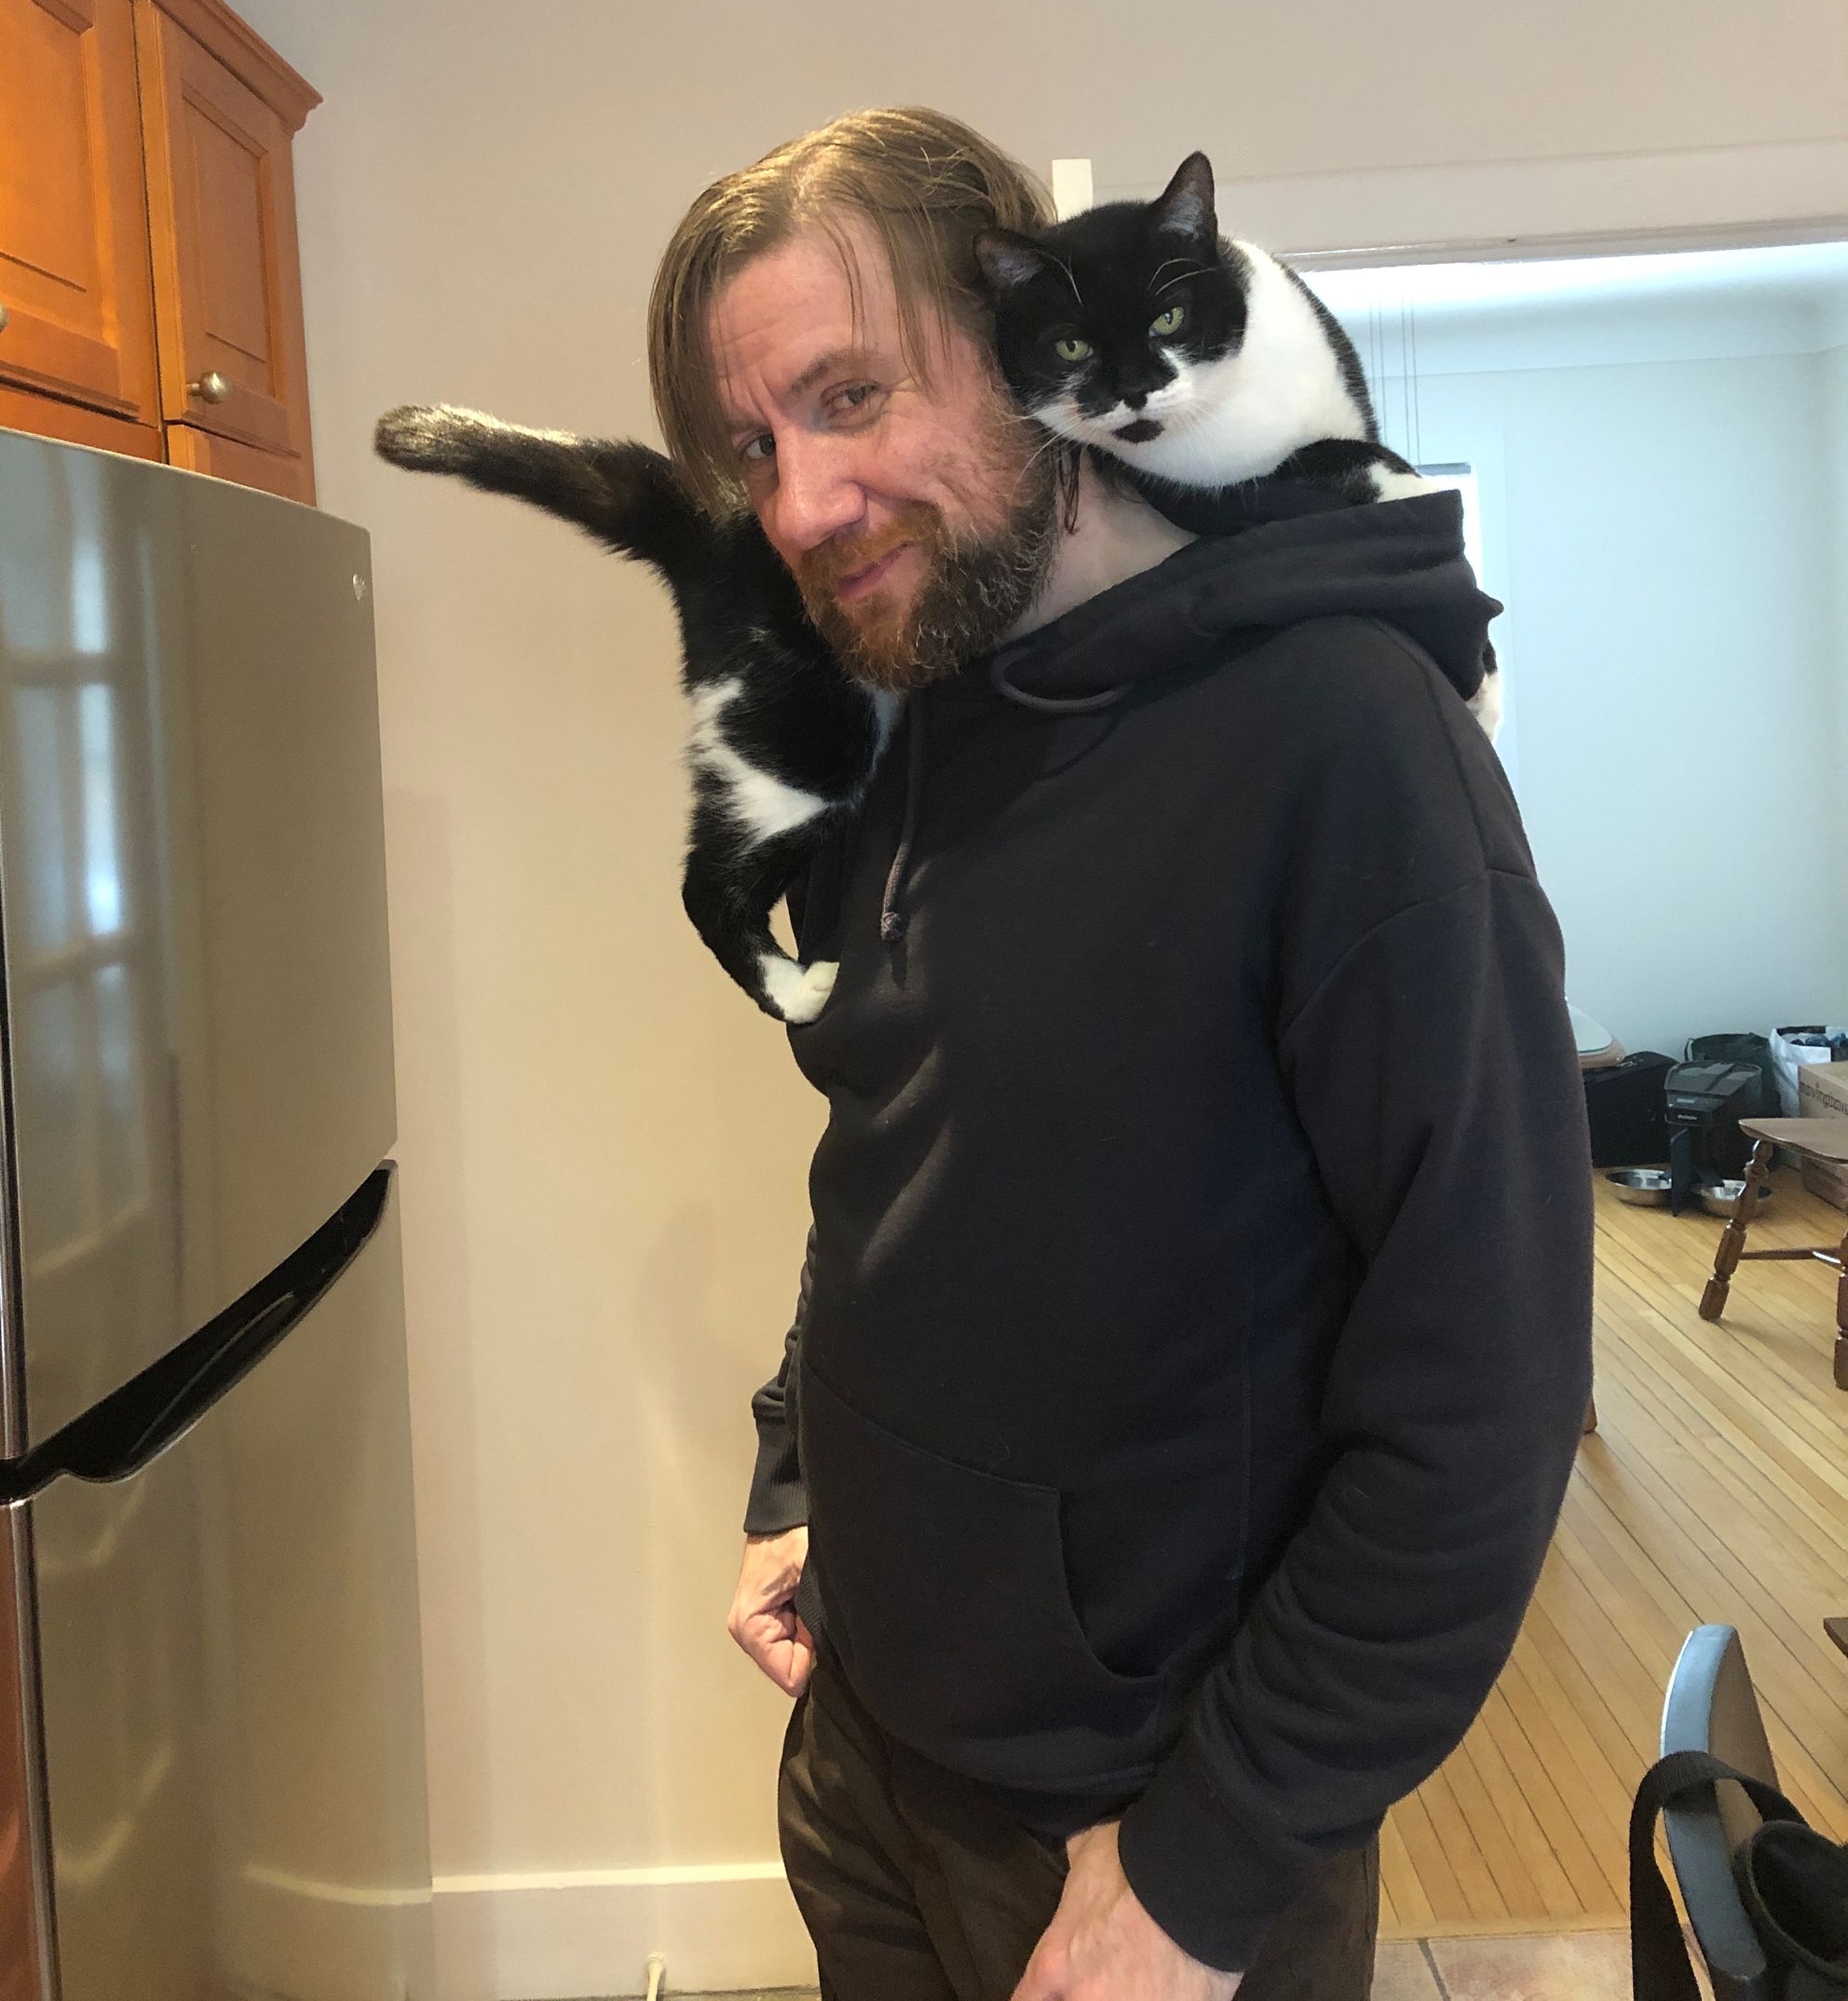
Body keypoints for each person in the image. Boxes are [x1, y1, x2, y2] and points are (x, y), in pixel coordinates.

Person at [645, 107, 1595, 2001]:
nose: (802, 502)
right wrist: (799, 1468)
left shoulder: (1344, 740)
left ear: (1019, 346)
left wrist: (1203, 1867)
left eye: (851, 395)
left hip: (1128, 1832)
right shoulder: (926, 711)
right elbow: (906, 1162)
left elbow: (1484, 1389)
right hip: (868, 1752)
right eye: (756, 442)